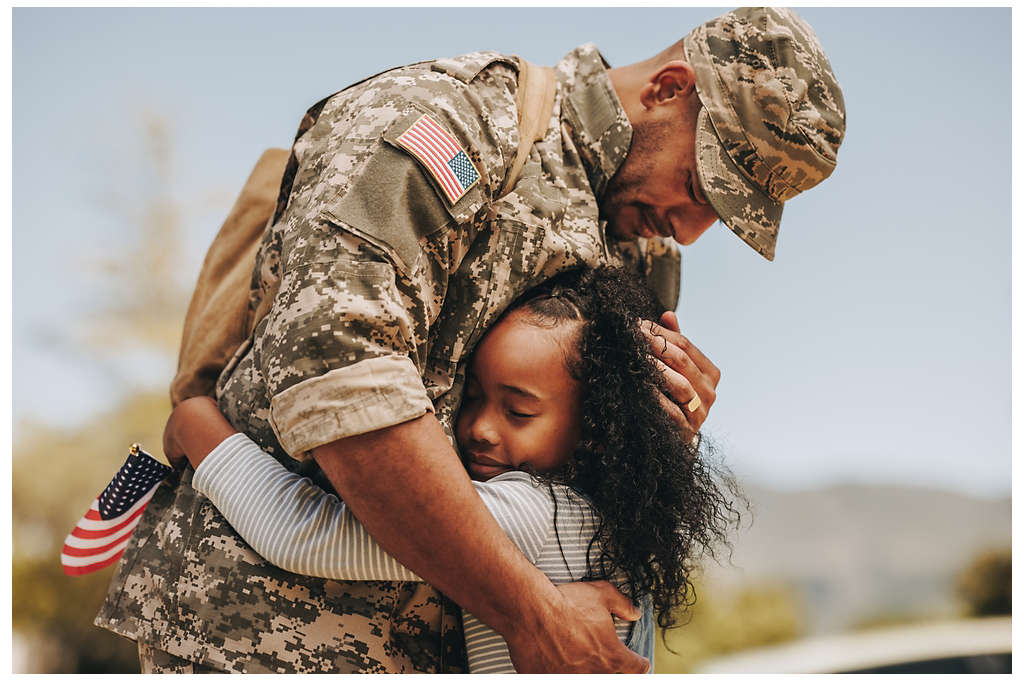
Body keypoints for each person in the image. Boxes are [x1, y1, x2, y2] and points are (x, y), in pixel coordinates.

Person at [96, 7, 844, 673]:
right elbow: (344, 384)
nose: (690, 227)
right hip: (275, 637)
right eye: (702, 183)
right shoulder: (448, 124)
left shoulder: (643, 253)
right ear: (668, 88)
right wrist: (530, 612)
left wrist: (666, 431)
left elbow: (585, 483)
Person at [162, 267, 741, 674]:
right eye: (473, 398)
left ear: (596, 429)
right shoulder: (620, 514)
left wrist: (198, 426)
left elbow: (303, 534)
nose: (481, 429)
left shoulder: (533, 512)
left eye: (518, 410)